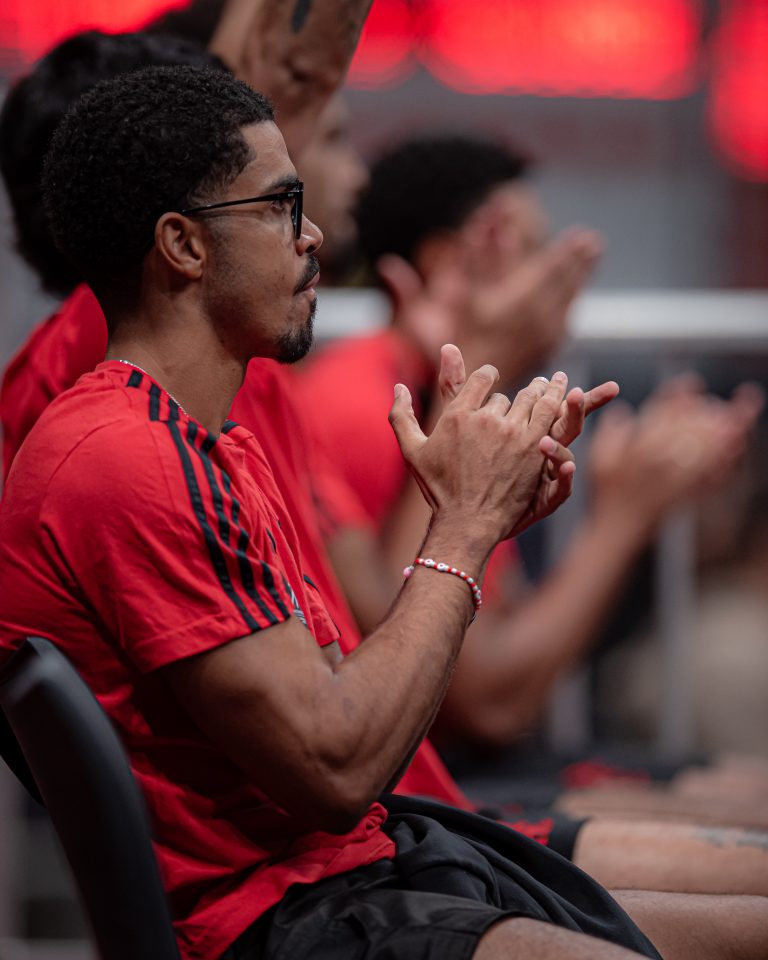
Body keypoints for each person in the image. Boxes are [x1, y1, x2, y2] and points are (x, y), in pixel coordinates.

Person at [2, 33, 767, 899]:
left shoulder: (233, 425)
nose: (342, 191)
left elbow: (373, 640)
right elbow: (475, 703)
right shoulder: (148, 423)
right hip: (339, 865)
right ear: (179, 241)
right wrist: (596, 518)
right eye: (291, 190)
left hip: (394, 826)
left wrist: (477, 512)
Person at [296, 133, 764, 782]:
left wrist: (631, 496)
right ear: (452, 265)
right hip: (430, 785)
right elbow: (488, 702)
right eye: (534, 252)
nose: (560, 288)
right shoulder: (363, 403)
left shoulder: (426, 387)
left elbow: (504, 646)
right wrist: (625, 516)